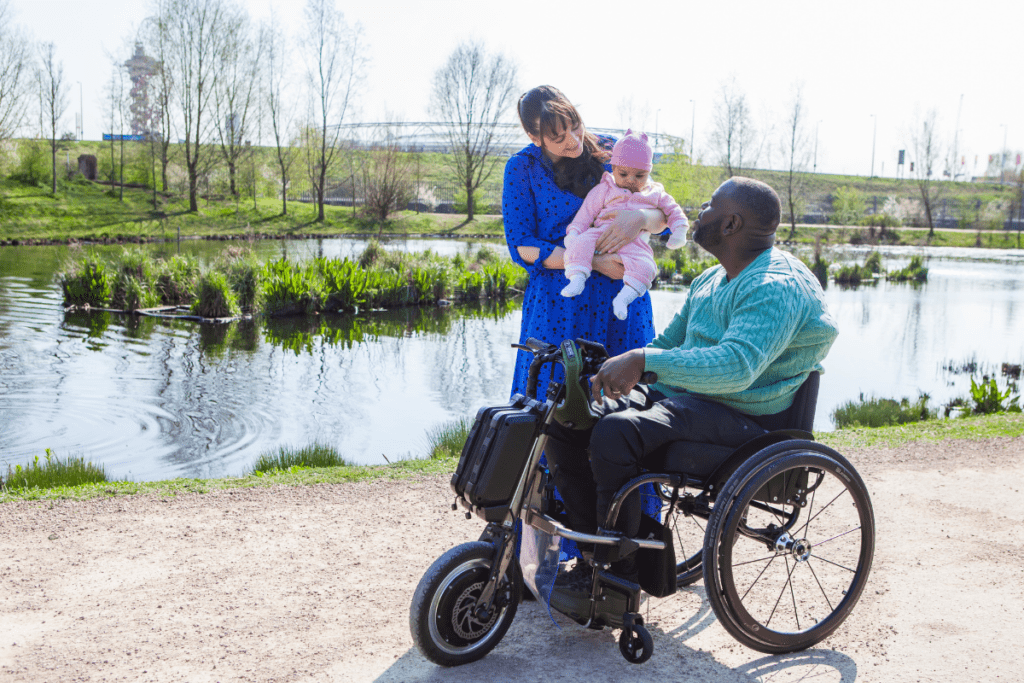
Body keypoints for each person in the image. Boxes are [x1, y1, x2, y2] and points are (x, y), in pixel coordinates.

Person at [546, 176, 840, 583]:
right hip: (691, 401)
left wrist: (645, 359)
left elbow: (737, 366)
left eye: (710, 204)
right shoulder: (710, 280)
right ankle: (595, 550)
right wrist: (617, 370)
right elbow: (670, 343)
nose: (700, 208)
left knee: (617, 433)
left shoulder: (774, 287)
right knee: (568, 416)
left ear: (731, 224)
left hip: (746, 417)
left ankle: (621, 574)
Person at [503, 85, 667, 568]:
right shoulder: (522, 169)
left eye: (574, 126)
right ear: (534, 136)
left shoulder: (614, 150)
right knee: (555, 417)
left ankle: (630, 541)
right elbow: (524, 248)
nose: (573, 140)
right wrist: (593, 261)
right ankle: (543, 547)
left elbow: (666, 210)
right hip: (560, 309)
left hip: (620, 306)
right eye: (558, 136)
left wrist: (642, 216)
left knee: (624, 409)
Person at [561, 130, 689, 320]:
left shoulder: (655, 193)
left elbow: (674, 211)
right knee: (579, 244)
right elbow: (585, 214)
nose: (631, 180)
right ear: (613, 169)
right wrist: (574, 233)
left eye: (640, 176)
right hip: (601, 236)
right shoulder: (605, 188)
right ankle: (577, 277)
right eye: (623, 174)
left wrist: (680, 230)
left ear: (649, 172)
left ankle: (624, 298)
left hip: (635, 244)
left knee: (648, 267)